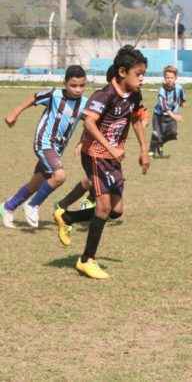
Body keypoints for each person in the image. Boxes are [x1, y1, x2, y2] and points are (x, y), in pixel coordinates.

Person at [54, 45, 150, 279]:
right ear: (122, 72)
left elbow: (137, 119)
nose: (142, 78)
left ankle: (66, 217)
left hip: (112, 157)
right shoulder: (104, 95)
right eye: (138, 74)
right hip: (95, 154)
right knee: (104, 206)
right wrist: (110, 148)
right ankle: (86, 260)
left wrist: (144, 149)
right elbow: (89, 123)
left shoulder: (134, 95)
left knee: (116, 211)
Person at [0, 66, 88, 229]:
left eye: (82, 86)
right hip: (44, 142)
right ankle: (33, 205)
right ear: (65, 83)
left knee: (36, 183)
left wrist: (82, 142)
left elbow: (90, 124)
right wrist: (15, 112)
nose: (77, 89)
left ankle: (8, 207)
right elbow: (33, 98)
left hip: (57, 150)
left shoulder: (84, 103)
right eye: (73, 85)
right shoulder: (54, 95)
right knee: (59, 176)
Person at [148, 65, 185, 158]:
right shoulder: (162, 90)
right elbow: (164, 107)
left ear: (175, 78)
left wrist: (182, 103)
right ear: (164, 78)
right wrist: (175, 116)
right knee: (156, 133)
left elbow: (182, 97)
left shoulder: (179, 88)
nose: (169, 79)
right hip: (159, 115)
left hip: (171, 115)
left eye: (171, 78)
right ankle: (151, 149)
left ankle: (159, 144)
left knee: (172, 134)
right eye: (167, 77)